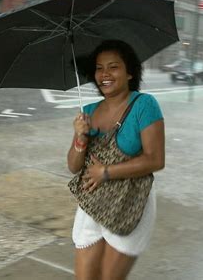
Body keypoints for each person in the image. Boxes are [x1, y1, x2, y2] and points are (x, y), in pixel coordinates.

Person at [67, 40, 165, 279]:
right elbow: (73, 166)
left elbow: (156, 159)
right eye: (99, 68)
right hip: (92, 204)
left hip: (129, 204)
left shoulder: (144, 105)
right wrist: (81, 136)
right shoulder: (88, 111)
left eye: (113, 67)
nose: (105, 75)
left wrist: (106, 172)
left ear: (130, 71)